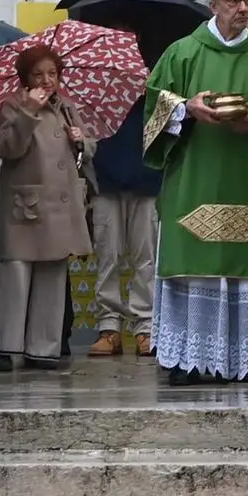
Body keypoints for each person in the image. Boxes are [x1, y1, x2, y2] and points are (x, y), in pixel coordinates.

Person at [142, 0, 248, 385]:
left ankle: (246, 359)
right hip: (194, 177)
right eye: (232, 1)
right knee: (194, 267)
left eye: (247, 0)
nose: (242, 8)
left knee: (246, 269)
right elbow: (155, 103)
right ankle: (186, 360)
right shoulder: (182, 53)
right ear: (213, 6)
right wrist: (185, 109)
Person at [0, 45, 90, 371]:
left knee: (53, 274)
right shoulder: (13, 106)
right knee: (17, 274)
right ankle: (9, 346)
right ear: (25, 78)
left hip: (59, 207)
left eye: (52, 74)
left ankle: (43, 347)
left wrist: (82, 141)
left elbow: (88, 148)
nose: (47, 81)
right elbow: (9, 148)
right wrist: (29, 112)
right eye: (38, 74)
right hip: (26, 207)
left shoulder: (67, 108)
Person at [83, 101, 159, 361]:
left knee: (146, 259)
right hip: (105, 181)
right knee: (107, 257)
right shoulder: (98, 91)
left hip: (148, 179)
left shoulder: (158, 87)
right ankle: (108, 327)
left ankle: (145, 328)